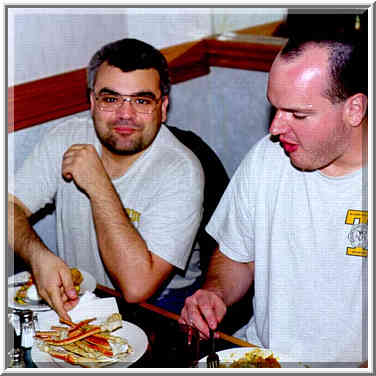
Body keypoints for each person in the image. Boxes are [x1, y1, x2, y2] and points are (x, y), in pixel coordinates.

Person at [179, 13, 368, 365]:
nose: (276, 127)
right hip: (258, 357)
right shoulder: (269, 157)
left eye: (297, 114)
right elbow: (236, 257)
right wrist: (213, 292)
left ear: (354, 108)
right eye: (275, 107)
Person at [8, 38, 206, 320]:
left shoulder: (181, 170)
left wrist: (98, 183)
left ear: (163, 108)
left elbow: (137, 288)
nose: (125, 114)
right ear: (92, 102)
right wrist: (38, 257)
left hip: (162, 310)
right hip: (83, 300)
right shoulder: (65, 137)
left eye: (141, 100)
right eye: (111, 99)